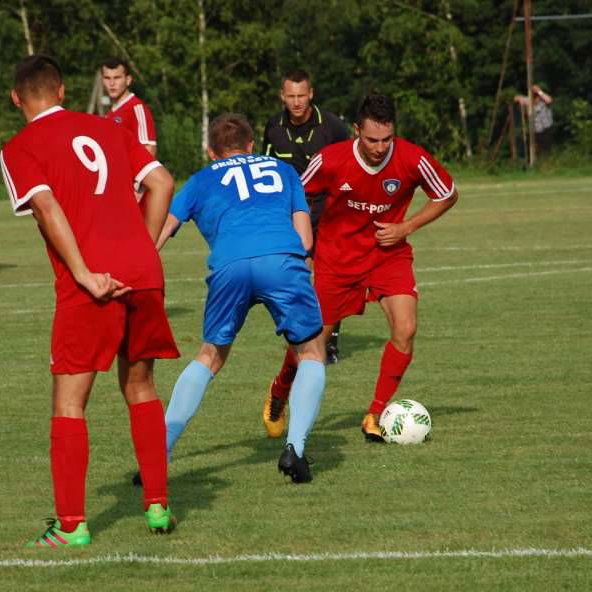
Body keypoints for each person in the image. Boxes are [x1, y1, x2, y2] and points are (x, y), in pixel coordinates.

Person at [0, 55, 179, 547]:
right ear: (61, 91)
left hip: (90, 284)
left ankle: (73, 526)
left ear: (17, 98)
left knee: (70, 401)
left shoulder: (19, 147)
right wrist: (141, 249)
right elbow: (162, 183)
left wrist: (84, 273)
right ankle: (158, 506)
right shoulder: (109, 127)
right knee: (140, 386)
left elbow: (47, 206)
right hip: (143, 273)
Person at [273, 94, 458, 443]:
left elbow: (447, 193)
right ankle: (280, 390)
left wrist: (407, 227)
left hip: (389, 255)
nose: (379, 147)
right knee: (312, 345)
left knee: (406, 328)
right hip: (336, 260)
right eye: (372, 139)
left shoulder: (413, 158)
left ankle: (375, 412)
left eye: (387, 139)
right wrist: (300, 244)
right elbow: (292, 195)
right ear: (357, 130)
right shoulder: (330, 159)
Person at [155, 113, 326, 484]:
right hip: (281, 259)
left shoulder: (201, 180)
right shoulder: (283, 172)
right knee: (311, 351)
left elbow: (164, 227)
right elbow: (306, 239)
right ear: (252, 146)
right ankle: (295, 450)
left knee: (209, 356)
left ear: (211, 151)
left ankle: (160, 452)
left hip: (229, 264)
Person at [261, 69, 349, 439]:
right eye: (290, 96)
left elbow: (352, 160)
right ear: (282, 96)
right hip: (291, 218)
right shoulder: (273, 128)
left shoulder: (332, 126)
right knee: (302, 286)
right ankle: (299, 357)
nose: (297, 103)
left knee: (333, 284)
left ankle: (327, 337)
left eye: (302, 96)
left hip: (331, 217)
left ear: (311, 94)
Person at [101, 57, 157, 156]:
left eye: (117, 78)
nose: (112, 83)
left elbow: (149, 149)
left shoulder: (137, 108)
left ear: (128, 80)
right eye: (107, 78)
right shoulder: (110, 114)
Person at [514, 84, 554, 154]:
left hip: (546, 128)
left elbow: (549, 100)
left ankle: (547, 160)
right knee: (535, 149)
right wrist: (519, 98)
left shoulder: (543, 99)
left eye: (536, 93)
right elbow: (516, 98)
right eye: (533, 93)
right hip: (535, 129)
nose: (535, 96)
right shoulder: (528, 100)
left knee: (546, 149)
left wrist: (539, 91)